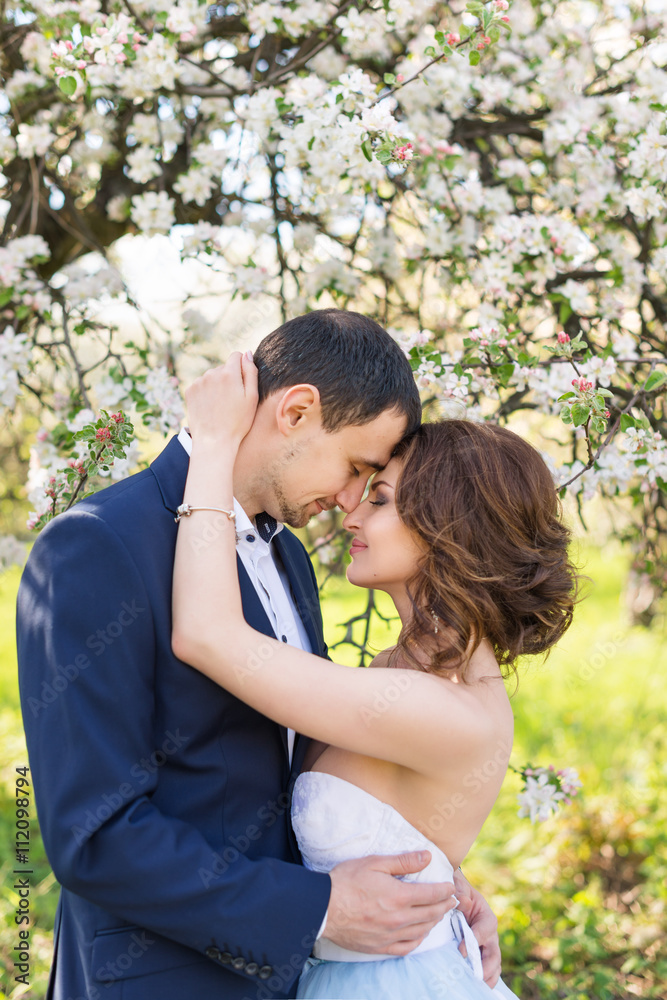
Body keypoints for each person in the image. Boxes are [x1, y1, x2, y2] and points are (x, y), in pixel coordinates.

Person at [17, 309, 501, 1000]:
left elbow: (304, 768)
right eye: (356, 468)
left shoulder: (289, 558)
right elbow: (92, 834)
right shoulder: (98, 544)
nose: (346, 501)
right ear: (298, 411)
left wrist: (434, 891)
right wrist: (317, 908)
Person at [171, 350, 580, 999]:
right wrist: (449, 893)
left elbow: (207, 635)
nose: (351, 513)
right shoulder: (399, 670)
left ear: (448, 527)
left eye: (381, 497)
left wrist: (211, 445)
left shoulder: (436, 705)